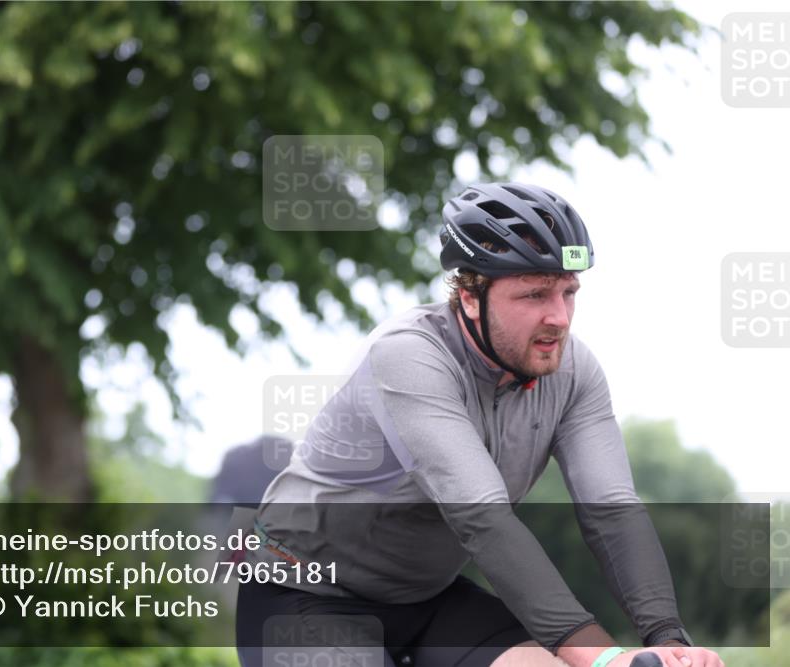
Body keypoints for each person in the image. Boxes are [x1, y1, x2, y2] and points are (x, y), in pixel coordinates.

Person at [235, 183, 724, 667]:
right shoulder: (408, 355)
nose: (559, 317)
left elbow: (611, 510)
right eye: (534, 294)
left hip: (428, 600)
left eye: (568, 292)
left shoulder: (573, 370)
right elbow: (482, 518)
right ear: (470, 296)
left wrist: (668, 643)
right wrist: (605, 657)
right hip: (303, 592)